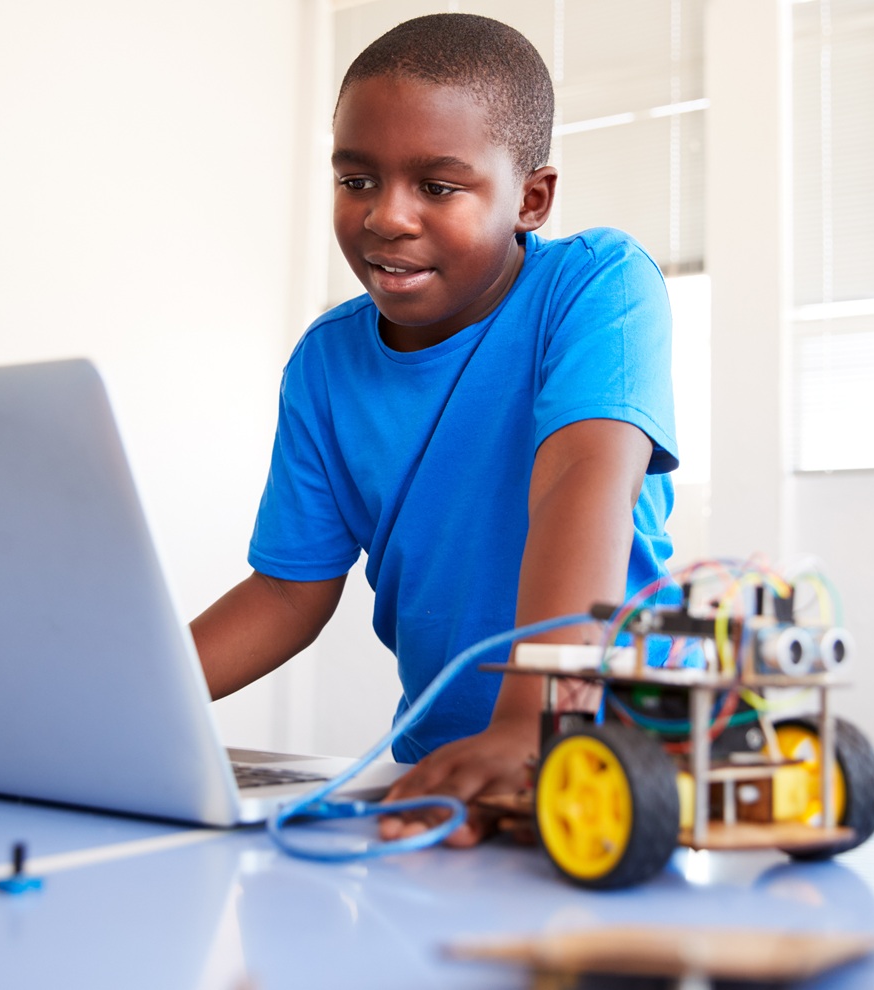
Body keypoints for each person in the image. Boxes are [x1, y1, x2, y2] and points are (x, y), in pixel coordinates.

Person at [188, 12, 678, 847]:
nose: (387, 217)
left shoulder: (598, 284)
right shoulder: (323, 364)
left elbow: (582, 479)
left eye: (437, 187)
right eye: (357, 181)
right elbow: (287, 592)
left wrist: (532, 722)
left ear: (531, 199)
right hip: (443, 771)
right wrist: (123, 699)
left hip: (610, 753)